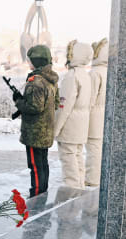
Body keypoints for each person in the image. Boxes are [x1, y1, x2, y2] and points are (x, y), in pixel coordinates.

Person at [14, 45, 60, 198]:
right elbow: (56, 102)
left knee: (35, 165)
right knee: (43, 164)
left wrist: (19, 102)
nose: (29, 63)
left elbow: (34, 107)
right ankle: (43, 191)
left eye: (30, 60)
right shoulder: (51, 80)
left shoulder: (36, 81)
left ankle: (36, 194)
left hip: (34, 132)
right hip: (46, 130)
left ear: (36, 61)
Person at [54, 40, 93, 189]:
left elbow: (64, 106)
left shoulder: (72, 76)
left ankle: (72, 190)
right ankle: (80, 187)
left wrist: (56, 129)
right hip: (81, 124)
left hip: (70, 125)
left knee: (68, 160)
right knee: (77, 158)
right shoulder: (86, 75)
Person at [85, 38, 108, 187]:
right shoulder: (108, 71)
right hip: (104, 115)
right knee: (100, 148)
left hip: (94, 116)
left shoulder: (95, 73)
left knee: (93, 148)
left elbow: (90, 98)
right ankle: (99, 178)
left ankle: (92, 180)